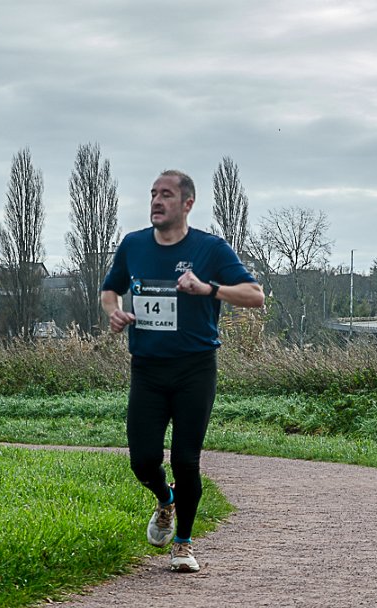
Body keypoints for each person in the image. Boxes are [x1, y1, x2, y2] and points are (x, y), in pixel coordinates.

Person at [101, 170, 264, 572]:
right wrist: (114, 312)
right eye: (153, 194)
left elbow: (255, 295)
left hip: (195, 369)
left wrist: (209, 288)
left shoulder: (210, 249)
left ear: (188, 204)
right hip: (147, 369)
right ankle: (165, 500)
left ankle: (184, 544)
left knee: (186, 460)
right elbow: (110, 289)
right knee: (142, 460)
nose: (157, 201)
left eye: (167, 195)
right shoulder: (134, 244)